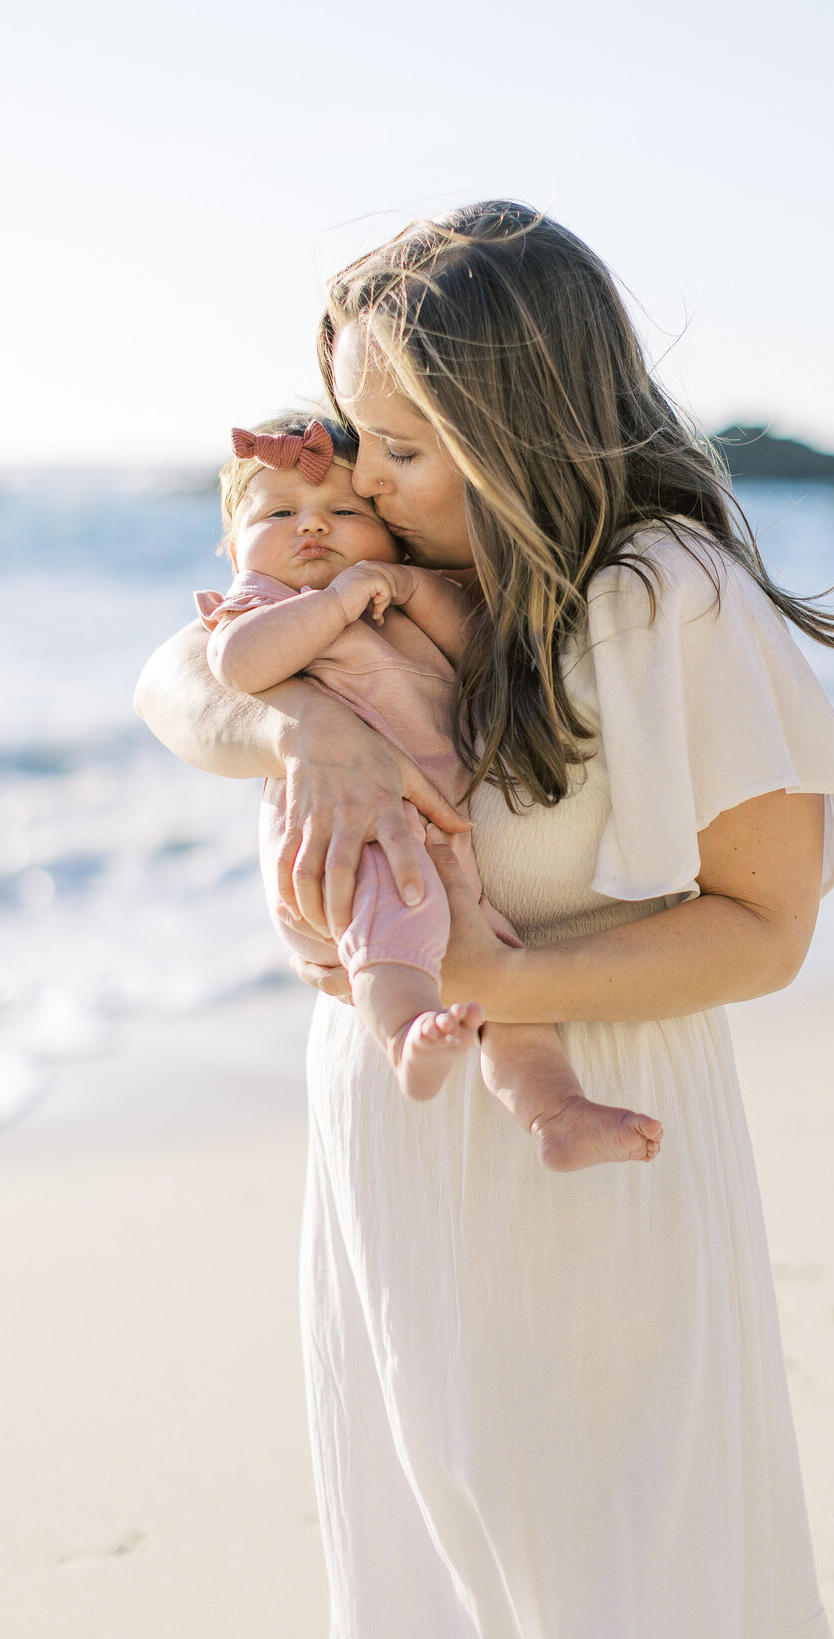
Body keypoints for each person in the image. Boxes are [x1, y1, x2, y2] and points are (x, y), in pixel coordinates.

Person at [136, 201, 834, 1638]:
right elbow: (175, 679)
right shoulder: (388, 576)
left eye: (404, 453)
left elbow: (764, 928)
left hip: (590, 1144)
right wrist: (306, 735)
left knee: (614, 1573)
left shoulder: (667, 600)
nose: (368, 490)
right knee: (424, 1567)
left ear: (520, 428)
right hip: (391, 1138)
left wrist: (482, 970)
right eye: (358, 444)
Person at [194, 411, 662, 1167]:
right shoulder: (259, 604)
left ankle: (555, 1112)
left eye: (343, 513)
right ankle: (406, 1035)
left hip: (436, 836)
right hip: (349, 837)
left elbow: (478, 647)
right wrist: (341, 600)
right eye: (279, 515)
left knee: (501, 981)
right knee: (397, 922)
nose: (312, 529)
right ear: (233, 549)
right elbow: (241, 668)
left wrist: (406, 586)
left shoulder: (396, 592)